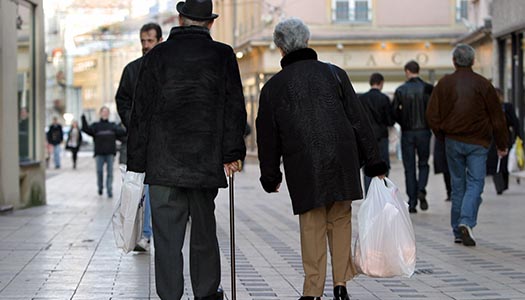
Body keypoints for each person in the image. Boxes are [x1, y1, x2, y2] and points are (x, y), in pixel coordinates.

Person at [256, 18, 387, 300]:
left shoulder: (274, 87)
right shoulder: (335, 74)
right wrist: (374, 161)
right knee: (340, 220)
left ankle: (313, 290)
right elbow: (359, 120)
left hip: (304, 163)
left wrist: (271, 174)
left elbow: (267, 135)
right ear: (306, 41)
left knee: (312, 223)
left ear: (280, 47)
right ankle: (340, 286)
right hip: (342, 158)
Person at [126, 0, 246, 298]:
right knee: (204, 233)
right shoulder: (222, 55)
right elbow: (234, 108)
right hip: (204, 164)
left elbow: (140, 112)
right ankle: (206, 293)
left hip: (162, 164)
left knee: (166, 238)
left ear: (180, 19)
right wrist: (232, 153)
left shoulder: (157, 56)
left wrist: (137, 164)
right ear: (210, 22)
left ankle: (170, 296)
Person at [427, 44, 508, 246]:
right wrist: (502, 143)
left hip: (452, 140)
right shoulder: (483, 84)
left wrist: (442, 135)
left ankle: (457, 229)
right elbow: (497, 117)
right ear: (473, 61)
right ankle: (466, 222)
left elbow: (432, 115)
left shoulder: (444, 84)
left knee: (457, 185)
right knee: (475, 183)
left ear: (454, 61)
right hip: (478, 142)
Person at [115, 22, 163, 252]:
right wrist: (131, 121)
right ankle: (144, 232)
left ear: (159, 40)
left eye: (150, 40)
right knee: (140, 188)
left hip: (163, 140)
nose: (145, 45)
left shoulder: (168, 67)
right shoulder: (132, 69)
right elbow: (122, 99)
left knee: (155, 189)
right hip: (139, 141)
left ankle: (149, 232)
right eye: (143, 40)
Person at [392, 60, 433, 213]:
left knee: (409, 168)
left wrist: (402, 121)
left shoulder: (401, 90)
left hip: (408, 132)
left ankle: (412, 201)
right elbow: (434, 109)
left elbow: (394, 111)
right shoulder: (428, 88)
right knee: (423, 163)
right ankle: (421, 189)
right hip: (424, 131)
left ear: (407, 71)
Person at [359, 72, 394, 194]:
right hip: (381, 137)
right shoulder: (384, 98)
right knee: (383, 166)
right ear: (381, 83)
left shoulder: (361, 99)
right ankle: (382, 193)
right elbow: (390, 121)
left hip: (366, 138)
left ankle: (370, 195)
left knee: (368, 167)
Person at [81, 107, 126, 198]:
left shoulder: (113, 126)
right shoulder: (96, 126)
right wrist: (83, 118)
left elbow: (123, 132)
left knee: (110, 173)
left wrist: (124, 121)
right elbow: (86, 129)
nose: (105, 113)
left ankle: (109, 190)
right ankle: (100, 187)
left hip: (110, 153)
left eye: (106, 112)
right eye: (103, 112)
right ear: (100, 113)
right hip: (99, 153)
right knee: (99, 171)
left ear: (108, 114)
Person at [486, 88, 521, 195]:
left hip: (505, 137)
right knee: (494, 163)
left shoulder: (507, 107)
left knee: (504, 162)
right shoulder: (488, 108)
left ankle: (504, 184)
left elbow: (515, 122)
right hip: (492, 139)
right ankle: (499, 186)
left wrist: (519, 136)